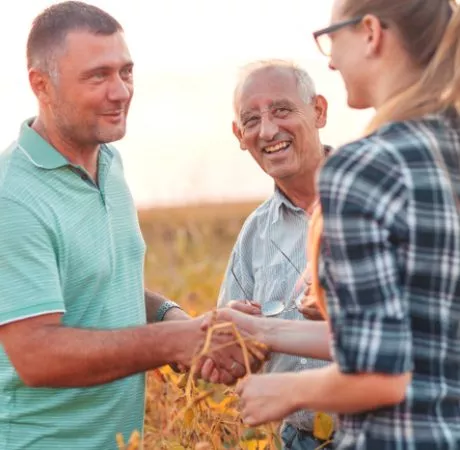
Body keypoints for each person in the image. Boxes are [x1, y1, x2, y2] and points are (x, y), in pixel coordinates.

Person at [0, 3, 261, 449]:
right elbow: (35, 355)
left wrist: (177, 320)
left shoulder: (109, 161)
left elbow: (98, 286)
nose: (120, 92)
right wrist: (175, 341)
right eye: (97, 76)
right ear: (41, 85)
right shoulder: (13, 197)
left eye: (126, 72)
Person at [210, 0, 460, 449]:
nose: (331, 59)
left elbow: (381, 375)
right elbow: (425, 337)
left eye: (332, 39)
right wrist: (260, 330)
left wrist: (286, 390)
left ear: (370, 32)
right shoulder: (449, 145)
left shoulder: (364, 169)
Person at [216, 60, 335, 449]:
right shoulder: (254, 233)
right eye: (251, 120)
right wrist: (235, 339)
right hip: (298, 439)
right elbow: (229, 353)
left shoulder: (376, 198)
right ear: (239, 134)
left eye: (282, 111)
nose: (268, 131)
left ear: (318, 111)